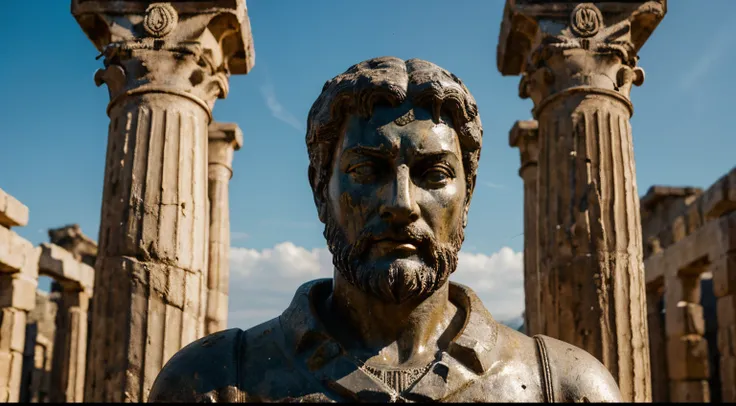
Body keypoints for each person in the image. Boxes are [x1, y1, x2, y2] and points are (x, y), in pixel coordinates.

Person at [148, 57, 622, 403]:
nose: (401, 204)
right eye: (366, 171)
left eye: (433, 174)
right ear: (320, 190)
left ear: (467, 195)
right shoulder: (208, 382)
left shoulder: (568, 386)